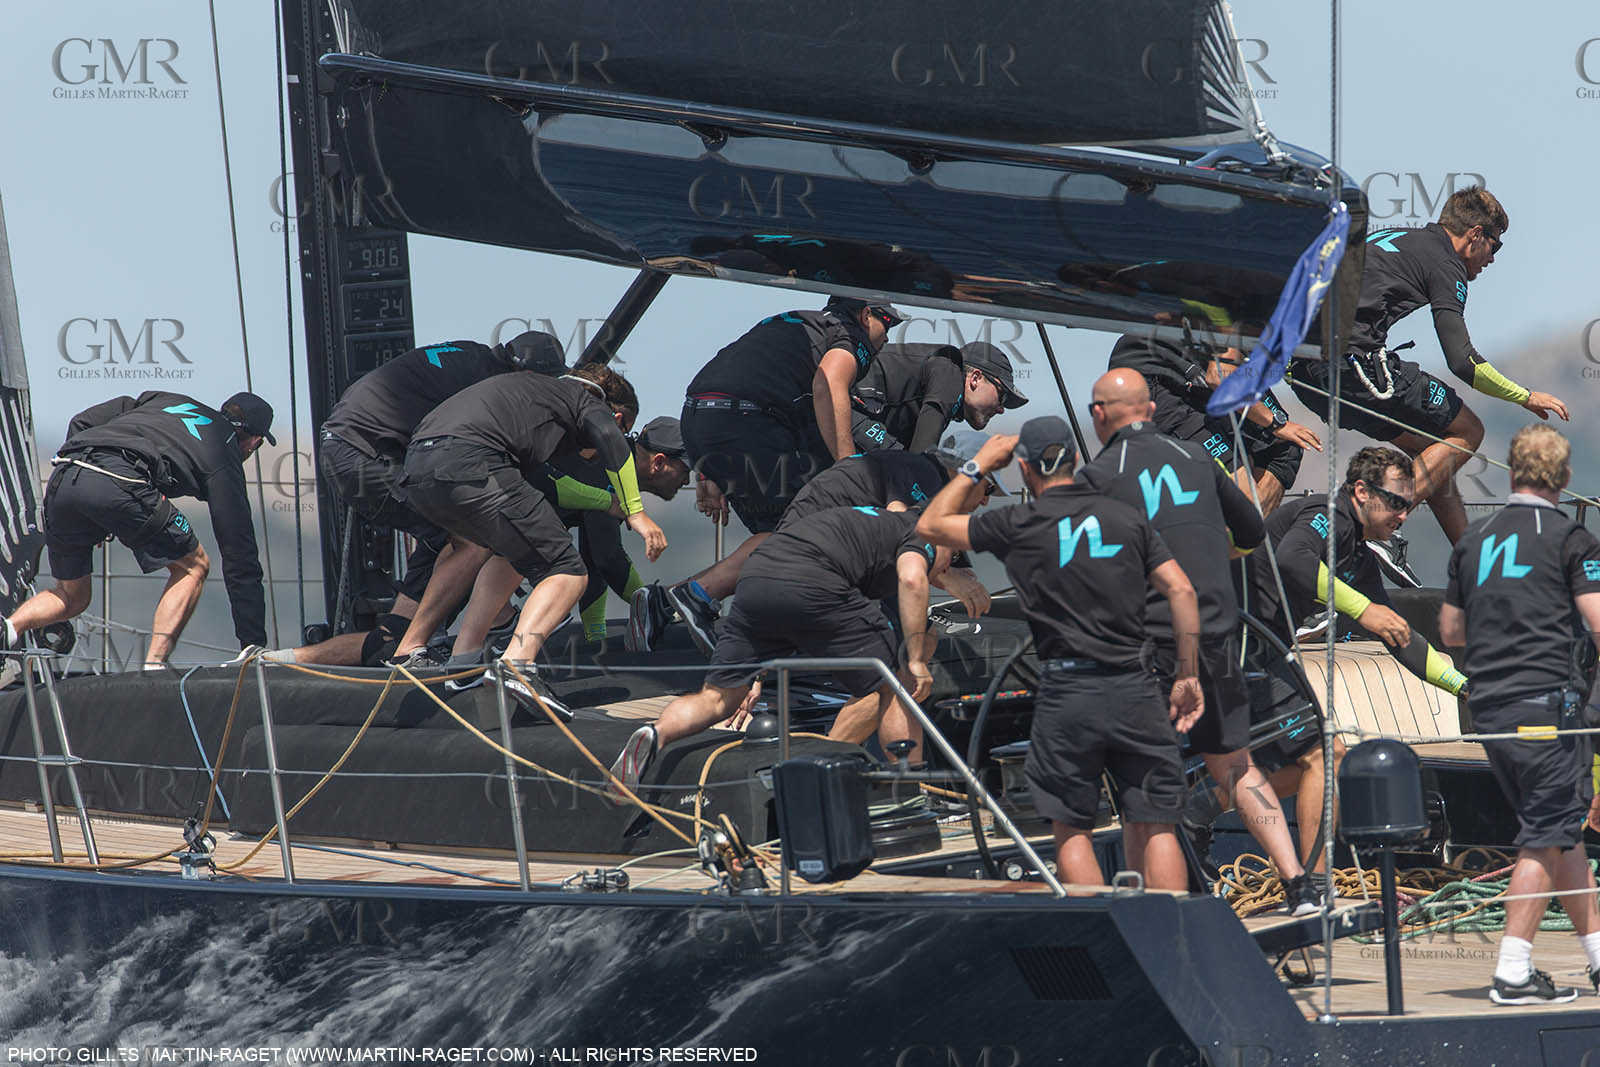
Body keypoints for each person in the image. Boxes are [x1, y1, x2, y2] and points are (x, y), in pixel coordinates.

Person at [916, 418, 1205, 891]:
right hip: (1135, 685)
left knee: (1073, 830)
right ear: (1074, 460)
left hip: (1067, 693)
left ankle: (1109, 935)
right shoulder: (1127, 516)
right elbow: (1183, 591)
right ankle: (1176, 940)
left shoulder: (1019, 522)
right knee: (1157, 822)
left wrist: (980, 463)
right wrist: (1188, 674)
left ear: (1025, 468)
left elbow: (930, 524)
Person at [1075, 369, 1320, 913]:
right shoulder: (1196, 458)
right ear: (1151, 410)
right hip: (1220, 627)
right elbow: (1252, 532)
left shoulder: (1096, 475)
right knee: (1234, 763)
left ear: (1099, 416)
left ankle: (1168, 915)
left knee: (1147, 786)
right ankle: (1299, 882)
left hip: (1151, 640)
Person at [1231, 447, 1470, 874]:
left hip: (1262, 651)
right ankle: (1317, 885)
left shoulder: (1357, 553)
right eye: (1396, 502)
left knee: (1302, 762)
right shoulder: (1327, 515)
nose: (1404, 515)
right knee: (1327, 756)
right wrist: (1362, 610)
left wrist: (1462, 686)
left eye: (1410, 505)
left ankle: (1202, 802)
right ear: (1361, 491)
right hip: (1240, 645)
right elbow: (1293, 560)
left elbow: (1398, 633)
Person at [1289, 186, 1569, 546]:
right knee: (1468, 431)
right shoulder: (1445, 263)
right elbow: (1462, 361)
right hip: (1351, 365)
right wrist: (1524, 396)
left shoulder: (1403, 236)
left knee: (1435, 454)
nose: (1493, 259)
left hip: (1309, 371)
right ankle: (1368, 531)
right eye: (1495, 246)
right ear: (1475, 235)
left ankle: (1471, 562)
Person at [609, 504, 946, 794]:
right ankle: (909, 794)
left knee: (718, 698)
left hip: (757, 576)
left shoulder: (870, 521)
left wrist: (757, 671)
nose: (947, 565)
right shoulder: (924, 535)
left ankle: (657, 733)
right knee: (891, 684)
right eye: (953, 556)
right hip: (813, 581)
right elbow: (913, 579)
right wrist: (916, 658)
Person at [395, 365, 666, 716]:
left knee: (511, 551)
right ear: (617, 415)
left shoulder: (534, 398)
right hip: (472, 462)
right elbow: (610, 440)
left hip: (418, 469)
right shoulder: (586, 401)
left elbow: (548, 485)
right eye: (623, 428)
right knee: (567, 570)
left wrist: (607, 503)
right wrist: (636, 512)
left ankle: (464, 662)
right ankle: (518, 666)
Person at [1439, 424, 1600, 1005]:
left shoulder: (1473, 539)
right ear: (1561, 479)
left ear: (1511, 473)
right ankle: (1512, 971)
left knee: (1560, 831)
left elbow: (1451, 630)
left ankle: (1597, 957)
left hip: (1490, 710)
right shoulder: (1571, 538)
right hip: (1547, 710)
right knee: (1544, 837)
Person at [309, 330, 565, 667]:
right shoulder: (488, 385)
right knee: (473, 539)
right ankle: (435, 640)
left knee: (445, 532)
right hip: (363, 453)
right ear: (528, 374)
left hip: (351, 445)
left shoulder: (475, 357)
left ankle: (405, 630)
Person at [629, 431, 1002, 654]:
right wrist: (946, 577)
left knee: (777, 550)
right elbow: (901, 532)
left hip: (832, 516)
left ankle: (678, 598)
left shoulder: (921, 473)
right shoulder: (927, 476)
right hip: (829, 520)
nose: (985, 500)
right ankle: (710, 612)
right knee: (787, 560)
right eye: (987, 487)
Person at [2, 391, 272, 667]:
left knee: (73, 596)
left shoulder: (165, 399)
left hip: (64, 476)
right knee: (193, 566)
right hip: (122, 479)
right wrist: (253, 643)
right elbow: (240, 553)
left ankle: (8, 629)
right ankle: (154, 668)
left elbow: (81, 421)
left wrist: (92, 508)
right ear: (254, 441)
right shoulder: (223, 451)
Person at [681, 296, 900, 536]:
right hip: (744, 421)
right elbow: (827, 386)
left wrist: (706, 470)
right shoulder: (849, 333)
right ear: (866, 315)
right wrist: (849, 472)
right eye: (887, 323)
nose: (888, 337)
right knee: (797, 530)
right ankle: (699, 578)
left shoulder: (795, 321)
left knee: (772, 532)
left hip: (697, 419)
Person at [1108, 332, 1320, 516]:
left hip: (1196, 376)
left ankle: (1250, 542)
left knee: (1285, 446)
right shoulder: (1240, 306)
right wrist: (1276, 424)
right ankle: (1235, 535)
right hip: (1153, 380)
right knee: (1242, 489)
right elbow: (1219, 378)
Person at [532, 417, 691, 649]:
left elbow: (594, 560)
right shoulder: (612, 470)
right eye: (684, 469)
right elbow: (608, 557)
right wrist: (655, 605)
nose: (687, 480)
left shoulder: (614, 457)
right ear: (658, 462)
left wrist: (595, 637)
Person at [850, 340, 1028, 453]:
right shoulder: (949, 372)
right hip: (846, 406)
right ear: (975, 378)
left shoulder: (947, 394)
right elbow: (920, 456)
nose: (1001, 409)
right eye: (1002, 396)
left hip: (851, 411)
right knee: (905, 466)